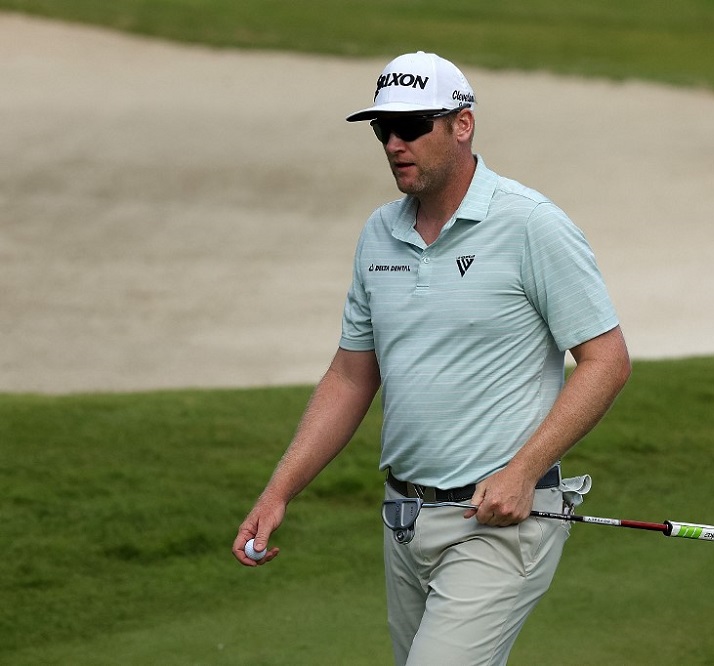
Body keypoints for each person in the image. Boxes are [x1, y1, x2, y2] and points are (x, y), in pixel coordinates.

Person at [233, 51, 631, 665]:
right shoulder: (379, 234)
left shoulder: (531, 225)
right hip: (405, 521)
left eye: (414, 126)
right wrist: (279, 491)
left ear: (461, 125)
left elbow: (606, 360)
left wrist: (524, 470)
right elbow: (350, 375)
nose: (395, 143)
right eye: (382, 130)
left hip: (500, 523)